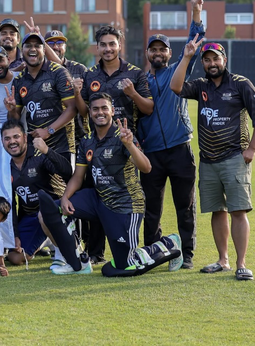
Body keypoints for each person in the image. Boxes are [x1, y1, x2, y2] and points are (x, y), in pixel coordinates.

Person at [39, 92, 183, 276]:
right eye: (95, 109)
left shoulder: (122, 135)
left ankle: (169, 244)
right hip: (98, 199)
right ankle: (80, 262)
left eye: (104, 108)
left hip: (126, 204)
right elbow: (78, 176)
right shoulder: (87, 141)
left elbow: (146, 167)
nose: (100, 112)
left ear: (112, 111)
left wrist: (129, 144)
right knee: (52, 211)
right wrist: (66, 197)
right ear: (90, 112)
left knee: (125, 264)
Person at [171, 38, 255, 280]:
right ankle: (223, 260)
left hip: (234, 158)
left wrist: (251, 149)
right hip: (208, 161)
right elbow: (176, 87)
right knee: (217, 211)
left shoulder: (240, 84)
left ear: (224, 60)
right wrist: (187, 57)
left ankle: (241, 264)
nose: (211, 63)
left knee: (238, 211)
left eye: (215, 59)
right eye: (207, 60)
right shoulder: (201, 86)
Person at [73, 25, 153, 264]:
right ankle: (95, 252)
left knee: (129, 197)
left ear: (119, 45)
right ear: (97, 47)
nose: (108, 49)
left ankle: (140, 246)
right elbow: (84, 112)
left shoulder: (135, 73)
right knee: (99, 195)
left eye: (112, 44)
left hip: (125, 147)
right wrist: (77, 93)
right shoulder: (90, 75)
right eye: (103, 44)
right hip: (96, 147)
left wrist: (133, 94)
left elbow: (148, 108)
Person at [137, 0, 205, 270]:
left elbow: (193, 42)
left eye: (162, 49)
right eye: (153, 49)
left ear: (169, 53)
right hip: (151, 153)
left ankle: (186, 253)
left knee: (184, 205)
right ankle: (154, 253)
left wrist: (196, 12)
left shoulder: (179, 70)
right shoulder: (139, 81)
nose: (157, 53)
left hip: (179, 149)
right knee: (151, 208)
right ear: (147, 53)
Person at [1, 120, 72, 266]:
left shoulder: (39, 154)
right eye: (7, 138)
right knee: (15, 258)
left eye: (16, 137)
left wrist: (47, 150)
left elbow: (67, 171)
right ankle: (47, 238)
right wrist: (15, 235)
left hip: (57, 208)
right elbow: (11, 204)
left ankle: (65, 253)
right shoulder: (5, 166)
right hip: (31, 216)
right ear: (2, 141)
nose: (12, 142)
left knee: (44, 214)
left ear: (24, 137)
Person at [5, 32, 77, 155]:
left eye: (37, 46)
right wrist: (11, 110)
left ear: (44, 50)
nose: (33, 49)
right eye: (28, 46)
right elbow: (14, 119)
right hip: (35, 148)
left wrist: (49, 130)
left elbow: (72, 108)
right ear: (22, 50)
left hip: (62, 147)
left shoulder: (58, 72)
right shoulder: (19, 80)